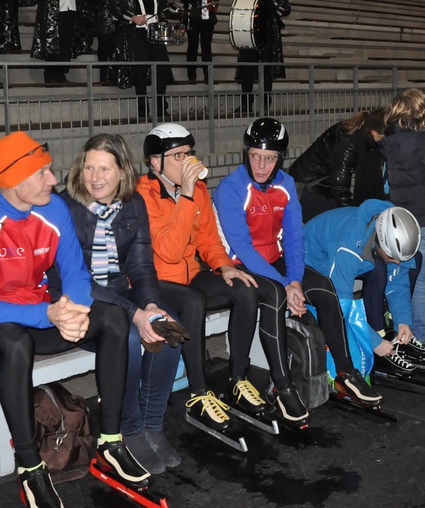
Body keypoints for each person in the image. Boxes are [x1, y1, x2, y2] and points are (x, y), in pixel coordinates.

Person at [0, 132, 150, 508]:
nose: (53, 179)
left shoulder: (53, 208)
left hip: (43, 316)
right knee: (15, 342)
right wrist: (50, 315)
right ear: (14, 179)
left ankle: (110, 441)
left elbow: (75, 273)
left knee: (112, 318)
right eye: (42, 173)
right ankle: (30, 467)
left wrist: (73, 310)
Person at [135, 123, 309, 429]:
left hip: (190, 276)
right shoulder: (142, 195)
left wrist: (224, 265)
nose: (187, 161)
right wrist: (187, 196)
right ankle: (199, 394)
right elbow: (169, 252)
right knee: (193, 301)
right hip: (155, 283)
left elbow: (209, 241)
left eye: (189, 153)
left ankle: (237, 379)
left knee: (245, 288)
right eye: (178, 156)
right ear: (156, 162)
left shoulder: (199, 190)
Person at [213, 118, 381, 407]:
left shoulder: (286, 184)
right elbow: (243, 247)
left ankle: (345, 372)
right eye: (254, 156)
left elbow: (293, 239)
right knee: (276, 296)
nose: (261, 165)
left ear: (280, 158)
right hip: (242, 264)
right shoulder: (230, 188)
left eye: (269, 158)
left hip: (275, 259)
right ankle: (283, 385)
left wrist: (295, 279)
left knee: (325, 290)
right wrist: (286, 285)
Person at [58, 134, 188, 474]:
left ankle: (151, 425)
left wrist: (151, 305)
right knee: (128, 336)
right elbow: (75, 281)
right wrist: (135, 314)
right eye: (89, 167)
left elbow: (141, 266)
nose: (95, 177)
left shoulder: (132, 203)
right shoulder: (64, 207)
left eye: (104, 168)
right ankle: (128, 430)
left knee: (167, 327)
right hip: (81, 300)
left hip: (117, 292)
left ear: (122, 171)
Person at [303, 201, 422, 378]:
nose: (397, 261)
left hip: (343, 251)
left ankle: (379, 334)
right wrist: (373, 342)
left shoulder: (389, 227)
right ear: (381, 242)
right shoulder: (348, 247)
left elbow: (397, 282)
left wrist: (403, 320)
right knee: (377, 269)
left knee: (387, 267)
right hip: (310, 261)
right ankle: (374, 341)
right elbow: (338, 307)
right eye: (392, 256)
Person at [380, 89, 425, 355]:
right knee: (420, 282)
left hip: (397, 219)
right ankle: (420, 338)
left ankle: (400, 331)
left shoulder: (388, 144)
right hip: (424, 220)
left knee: (397, 278)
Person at [288, 109, 387, 222]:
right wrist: (352, 217)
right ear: (374, 133)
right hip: (307, 186)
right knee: (331, 224)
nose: (383, 143)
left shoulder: (361, 132)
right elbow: (340, 188)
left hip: (321, 185)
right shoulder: (348, 142)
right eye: (382, 138)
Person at [111, 0, 174, 120]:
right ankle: (142, 109)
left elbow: (161, 3)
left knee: (160, 69)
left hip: (155, 30)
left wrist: (169, 11)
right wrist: (132, 17)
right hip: (136, 32)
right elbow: (115, 6)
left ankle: (161, 107)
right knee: (140, 70)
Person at [235, 0, 291, 113]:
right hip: (249, 33)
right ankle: (246, 104)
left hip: (269, 34)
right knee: (247, 70)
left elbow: (286, 9)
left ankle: (265, 104)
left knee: (267, 71)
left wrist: (270, 6)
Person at [179, 0, 220, 84]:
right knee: (193, 46)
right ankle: (192, 76)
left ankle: (208, 76)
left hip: (207, 16)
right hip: (193, 16)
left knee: (207, 47)